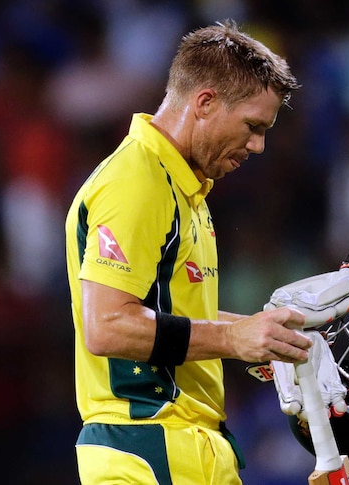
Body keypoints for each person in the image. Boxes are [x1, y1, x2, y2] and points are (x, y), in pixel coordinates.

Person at [64, 20, 310, 484]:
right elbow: (108, 325)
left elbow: (166, 312)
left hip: (184, 446)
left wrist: (267, 334)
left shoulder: (183, 187)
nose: (258, 145)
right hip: (146, 443)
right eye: (253, 127)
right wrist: (232, 340)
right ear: (205, 103)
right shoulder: (136, 181)